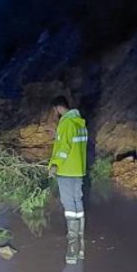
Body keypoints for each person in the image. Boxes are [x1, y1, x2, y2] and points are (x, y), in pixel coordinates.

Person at [48, 96, 88, 262]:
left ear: (57, 108)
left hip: (66, 170)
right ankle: (80, 242)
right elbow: (71, 143)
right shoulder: (79, 124)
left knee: (69, 205)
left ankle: (72, 246)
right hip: (78, 169)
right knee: (77, 202)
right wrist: (56, 135)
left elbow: (64, 147)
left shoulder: (66, 123)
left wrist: (55, 164)